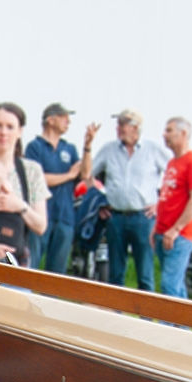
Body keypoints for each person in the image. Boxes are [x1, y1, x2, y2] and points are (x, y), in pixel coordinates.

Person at [79, 108, 170, 291]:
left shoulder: (152, 150)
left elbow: (172, 177)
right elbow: (86, 175)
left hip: (143, 217)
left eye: (123, 124)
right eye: (118, 124)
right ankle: (116, 317)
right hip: (116, 217)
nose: (119, 128)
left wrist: (160, 203)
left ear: (136, 128)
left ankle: (145, 317)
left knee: (145, 274)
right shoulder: (109, 149)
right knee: (116, 274)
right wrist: (88, 147)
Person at [0, 102, 48, 265]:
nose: (3, 132)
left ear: (20, 131)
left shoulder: (31, 171)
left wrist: (19, 205)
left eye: (10, 127)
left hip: (17, 264)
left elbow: (40, 226)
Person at [24, 103, 96, 274]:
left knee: (57, 271)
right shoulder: (35, 147)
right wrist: (68, 176)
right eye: (64, 117)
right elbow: (37, 180)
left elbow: (85, 174)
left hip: (65, 217)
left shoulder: (69, 148)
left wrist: (87, 146)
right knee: (31, 265)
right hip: (40, 215)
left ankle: (51, 300)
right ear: (50, 119)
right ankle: (26, 299)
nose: (68, 121)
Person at [152, 117, 192, 298]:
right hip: (163, 231)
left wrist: (176, 229)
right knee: (176, 285)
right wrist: (156, 227)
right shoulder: (172, 163)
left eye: (169, 131)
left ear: (183, 134)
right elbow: (166, 197)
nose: (164, 135)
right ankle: (181, 326)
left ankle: (167, 326)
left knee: (169, 285)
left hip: (180, 235)